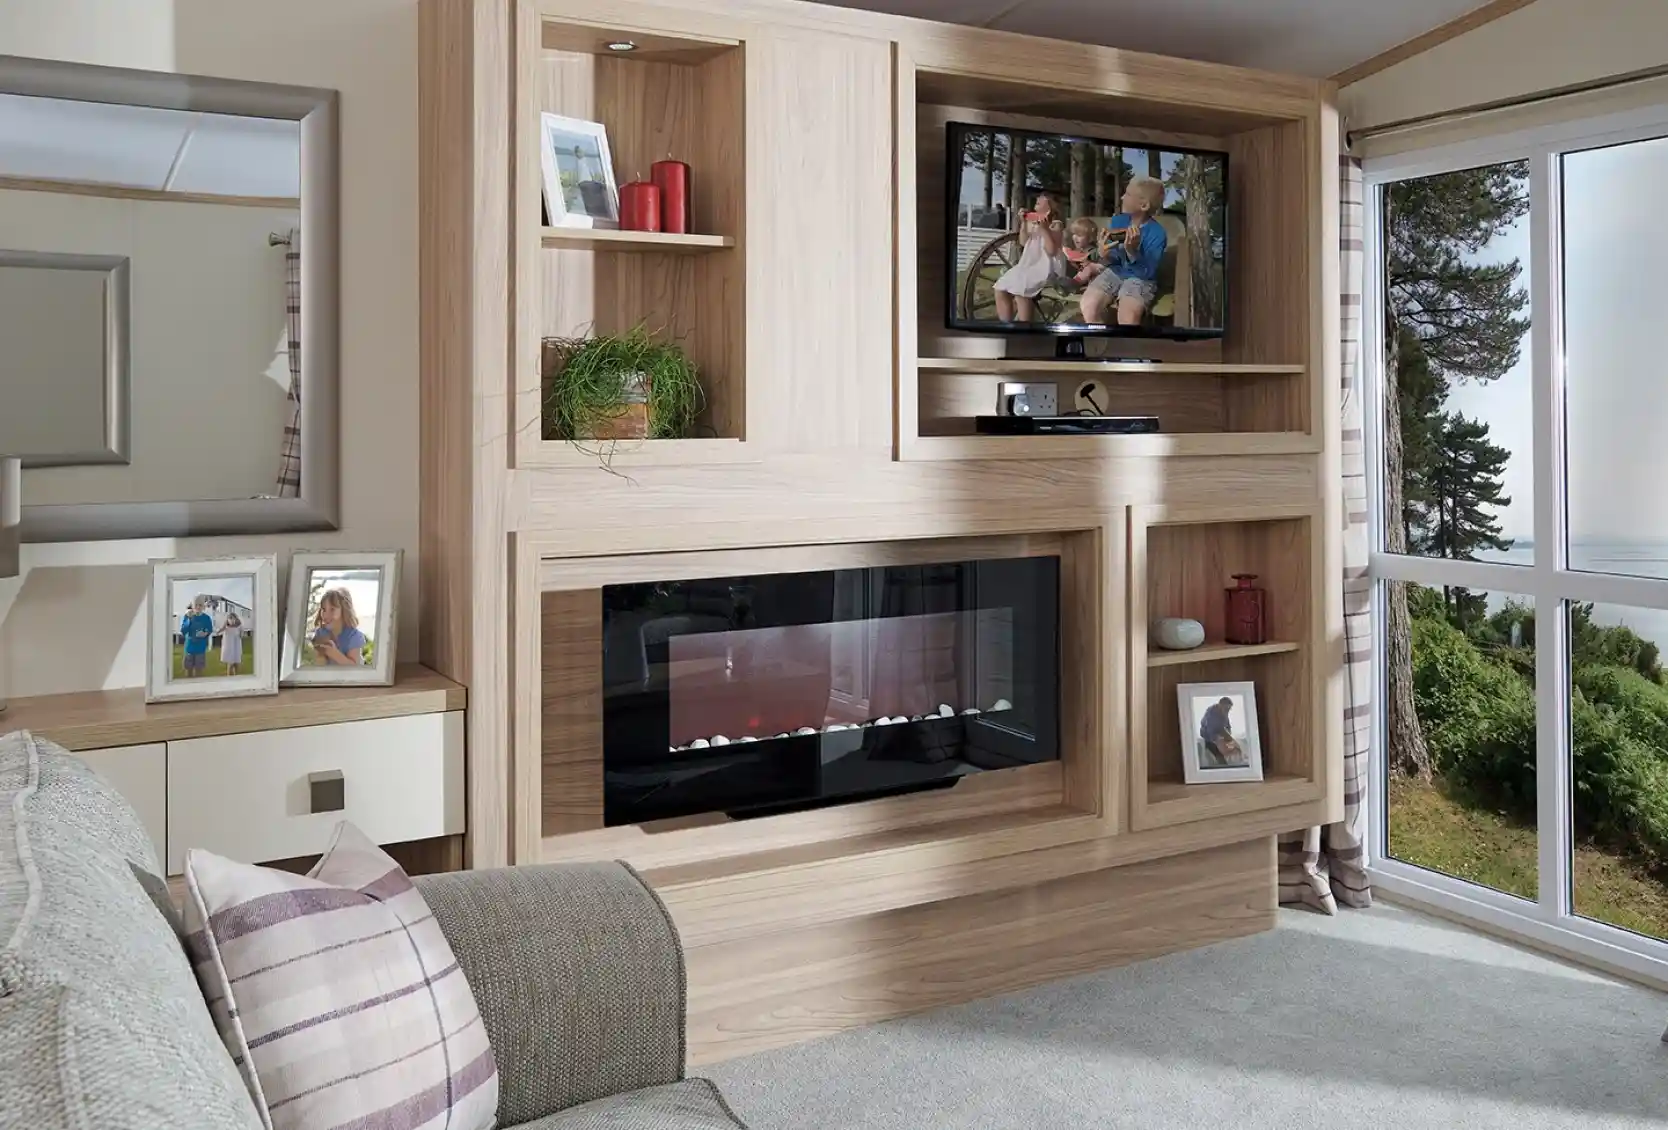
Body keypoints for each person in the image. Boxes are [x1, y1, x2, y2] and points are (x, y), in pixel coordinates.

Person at [1080, 175, 1168, 326]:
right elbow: (1112, 258)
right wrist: (1104, 254)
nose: (1121, 197)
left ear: (1144, 205)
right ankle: (1102, 343)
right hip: (1115, 271)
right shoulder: (1118, 221)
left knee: (1128, 317)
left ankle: (1126, 346)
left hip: (1141, 279)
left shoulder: (1157, 234)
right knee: (1089, 305)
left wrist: (1132, 252)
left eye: (1127, 194)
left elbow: (1147, 271)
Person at [991, 192, 1067, 323]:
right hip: (1029, 264)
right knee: (999, 288)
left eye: (1040, 201)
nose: (1036, 203)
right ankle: (1006, 325)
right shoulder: (1032, 222)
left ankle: (1024, 327)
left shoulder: (1056, 225)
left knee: (1021, 291)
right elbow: (1023, 242)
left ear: (1050, 207)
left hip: (1048, 267)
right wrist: (1023, 223)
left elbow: (1052, 251)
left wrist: (1044, 230)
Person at [310, 587, 367, 667]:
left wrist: (333, 653)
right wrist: (320, 653)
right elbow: (320, 663)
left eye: (332, 609)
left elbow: (354, 668)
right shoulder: (321, 633)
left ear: (344, 611)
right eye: (324, 609)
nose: (326, 615)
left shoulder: (353, 636)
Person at [1198, 696, 1246, 769]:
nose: (1228, 711)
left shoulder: (1224, 712)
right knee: (1220, 757)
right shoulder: (1211, 713)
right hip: (1208, 736)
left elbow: (1227, 724)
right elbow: (1212, 729)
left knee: (1236, 747)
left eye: (1229, 709)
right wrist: (1219, 739)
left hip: (1219, 733)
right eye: (1227, 709)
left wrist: (1229, 733)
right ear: (1220, 705)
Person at [179, 597, 214, 678]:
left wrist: (205, 633)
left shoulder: (206, 618)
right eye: (196, 605)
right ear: (193, 606)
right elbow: (183, 631)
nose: (198, 607)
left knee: (199, 671)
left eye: (200, 605)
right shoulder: (188, 616)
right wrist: (189, 620)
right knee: (188, 671)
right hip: (189, 648)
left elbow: (210, 629)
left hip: (200, 648)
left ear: (203, 607)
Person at [220, 610, 246, 677]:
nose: (231, 620)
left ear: (236, 618)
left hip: (236, 644)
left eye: (233, 618)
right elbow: (222, 629)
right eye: (230, 618)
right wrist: (218, 631)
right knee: (230, 661)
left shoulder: (239, 624)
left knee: (236, 661)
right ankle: (229, 675)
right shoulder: (226, 624)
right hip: (229, 645)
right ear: (228, 619)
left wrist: (241, 635)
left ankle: (236, 675)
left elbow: (242, 632)